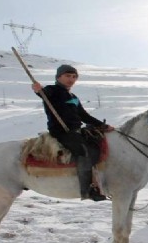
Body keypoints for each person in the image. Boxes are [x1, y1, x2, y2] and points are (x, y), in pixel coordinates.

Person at [32, 64, 114, 201]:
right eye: (67, 76)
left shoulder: (73, 96)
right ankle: (88, 189)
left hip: (76, 131)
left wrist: (103, 126)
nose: (71, 79)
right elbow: (44, 94)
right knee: (83, 151)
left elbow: (84, 115)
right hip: (61, 132)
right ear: (58, 77)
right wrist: (38, 90)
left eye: (74, 76)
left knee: (96, 146)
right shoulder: (52, 90)